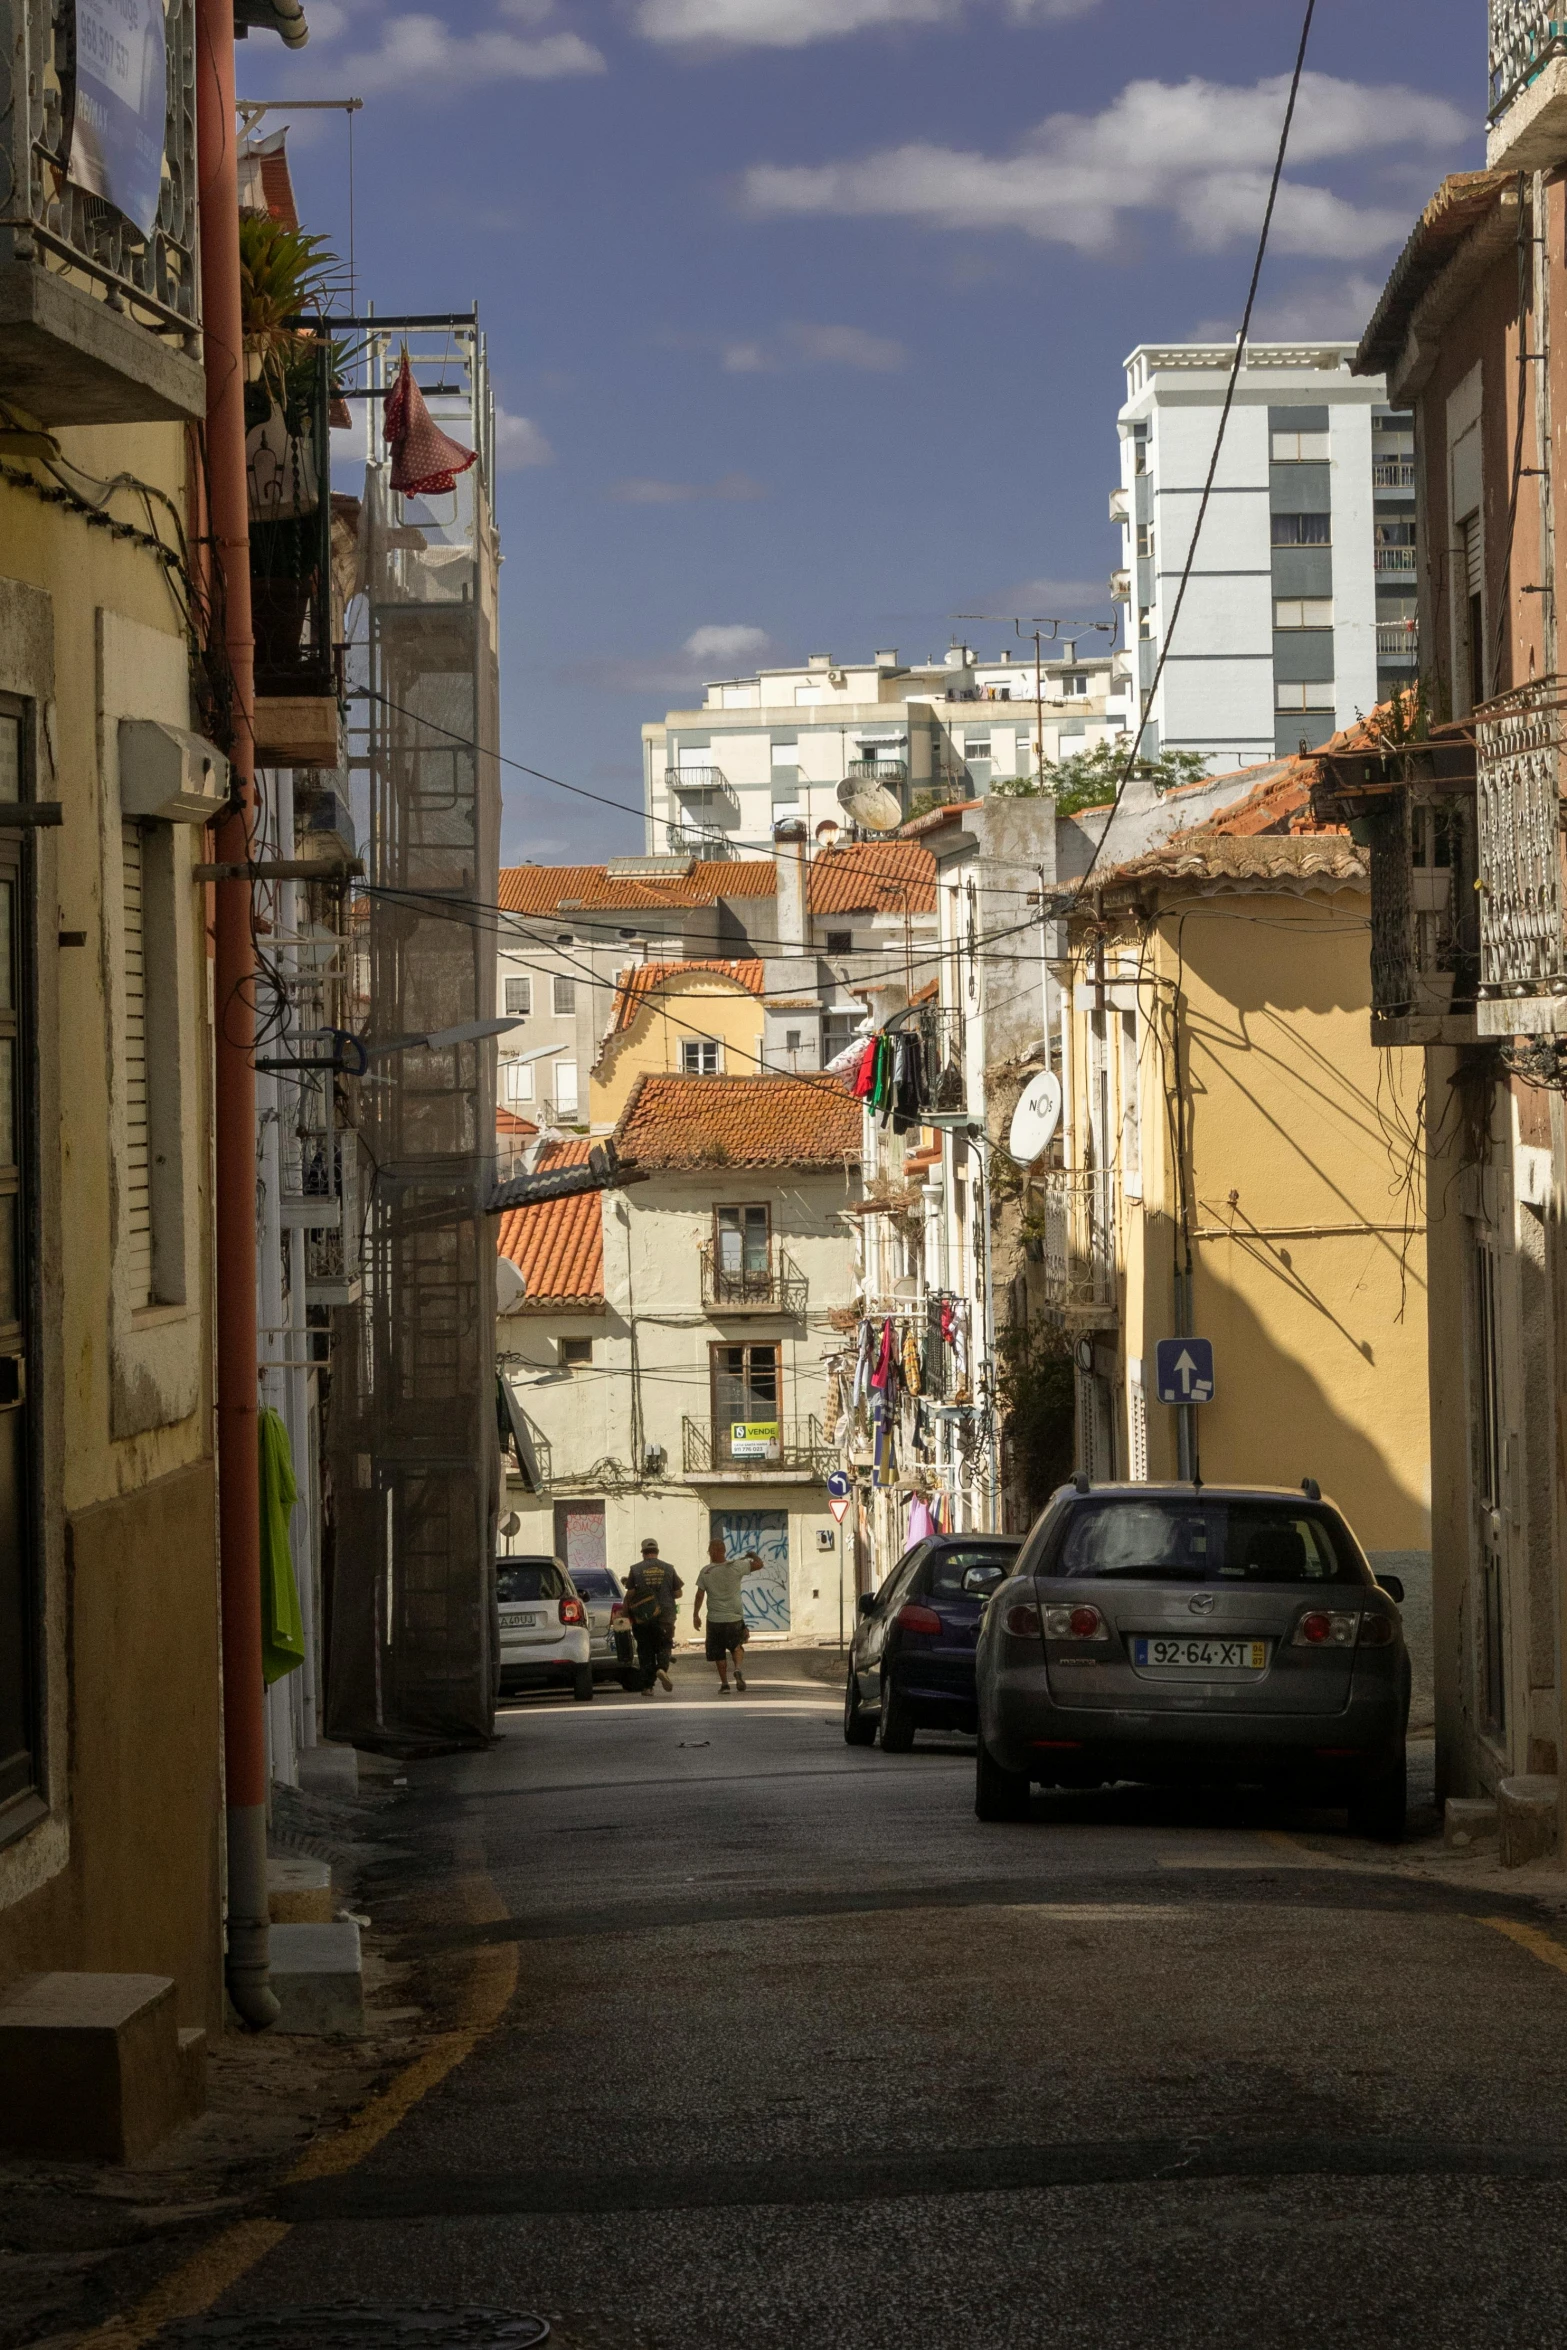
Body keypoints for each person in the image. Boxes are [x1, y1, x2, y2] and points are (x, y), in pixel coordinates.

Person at [693, 1537, 757, 1693]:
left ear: (711, 1552)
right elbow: (759, 1564)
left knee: (718, 1652)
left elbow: (699, 1595)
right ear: (724, 1551)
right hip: (734, 1618)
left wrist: (695, 1614)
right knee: (737, 1646)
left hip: (715, 1620)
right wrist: (753, 1555)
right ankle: (738, 1668)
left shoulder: (706, 1571)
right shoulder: (737, 1566)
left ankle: (725, 1684)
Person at [624, 1537, 683, 1694]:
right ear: (657, 1551)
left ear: (643, 1553)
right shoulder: (669, 1569)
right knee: (664, 1644)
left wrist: (624, 1612)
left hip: (643, 1617)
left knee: (645, 1650)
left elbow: (630, 1593)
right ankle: (662, 1668)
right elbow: (678, 1593)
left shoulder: (635, 1569)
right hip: (665, 1616)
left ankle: (648, 1686)